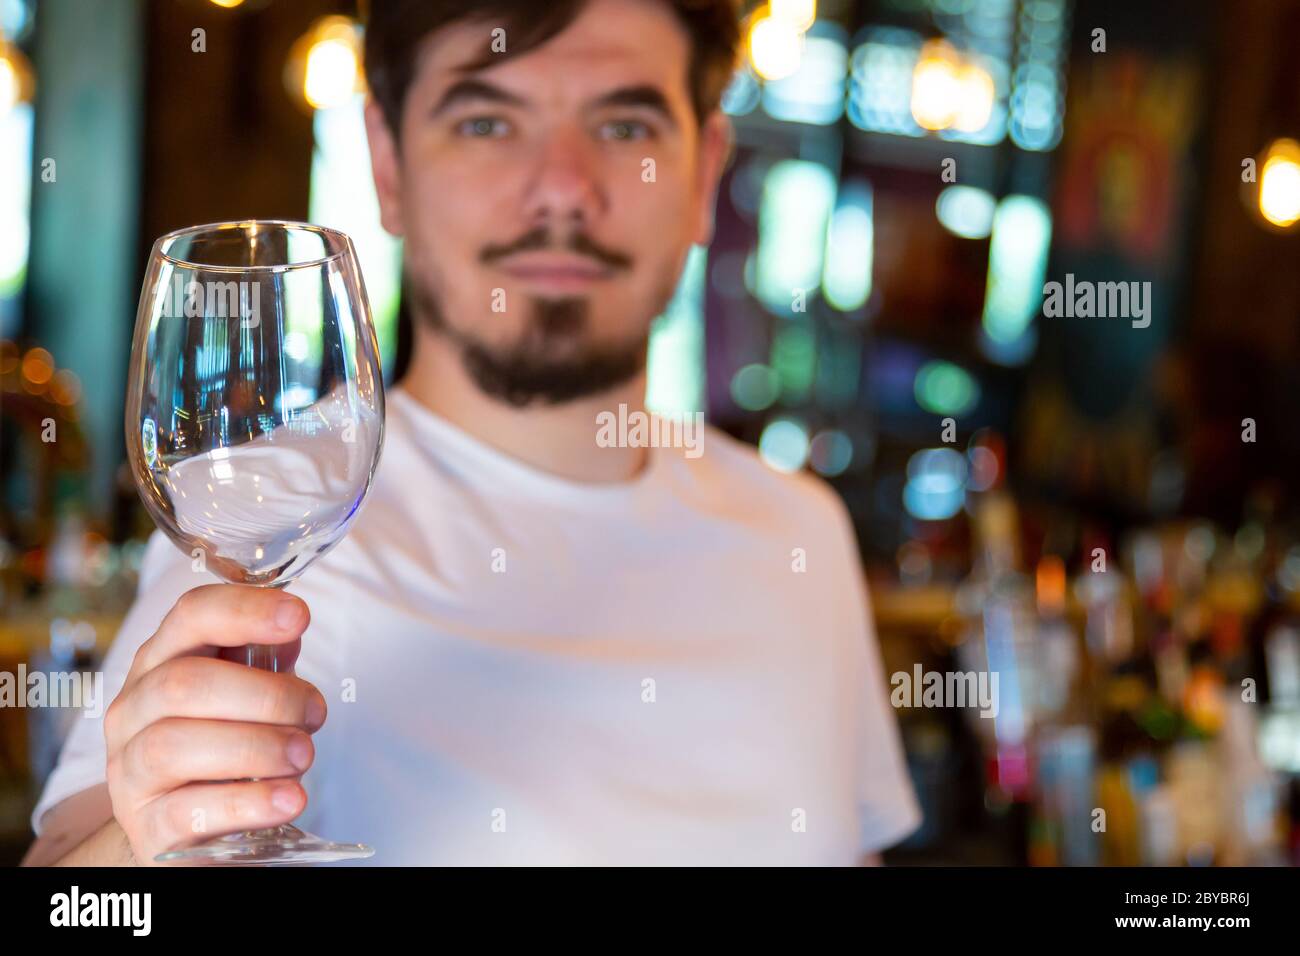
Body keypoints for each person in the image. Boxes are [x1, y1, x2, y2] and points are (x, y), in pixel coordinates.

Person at [22, 0, 919, 866]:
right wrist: (148, 849)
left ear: (704, 176)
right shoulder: (264, 519)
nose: (563, 187)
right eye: (487, 122)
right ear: (387, 166)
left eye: (626, 129)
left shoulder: (801, 532)